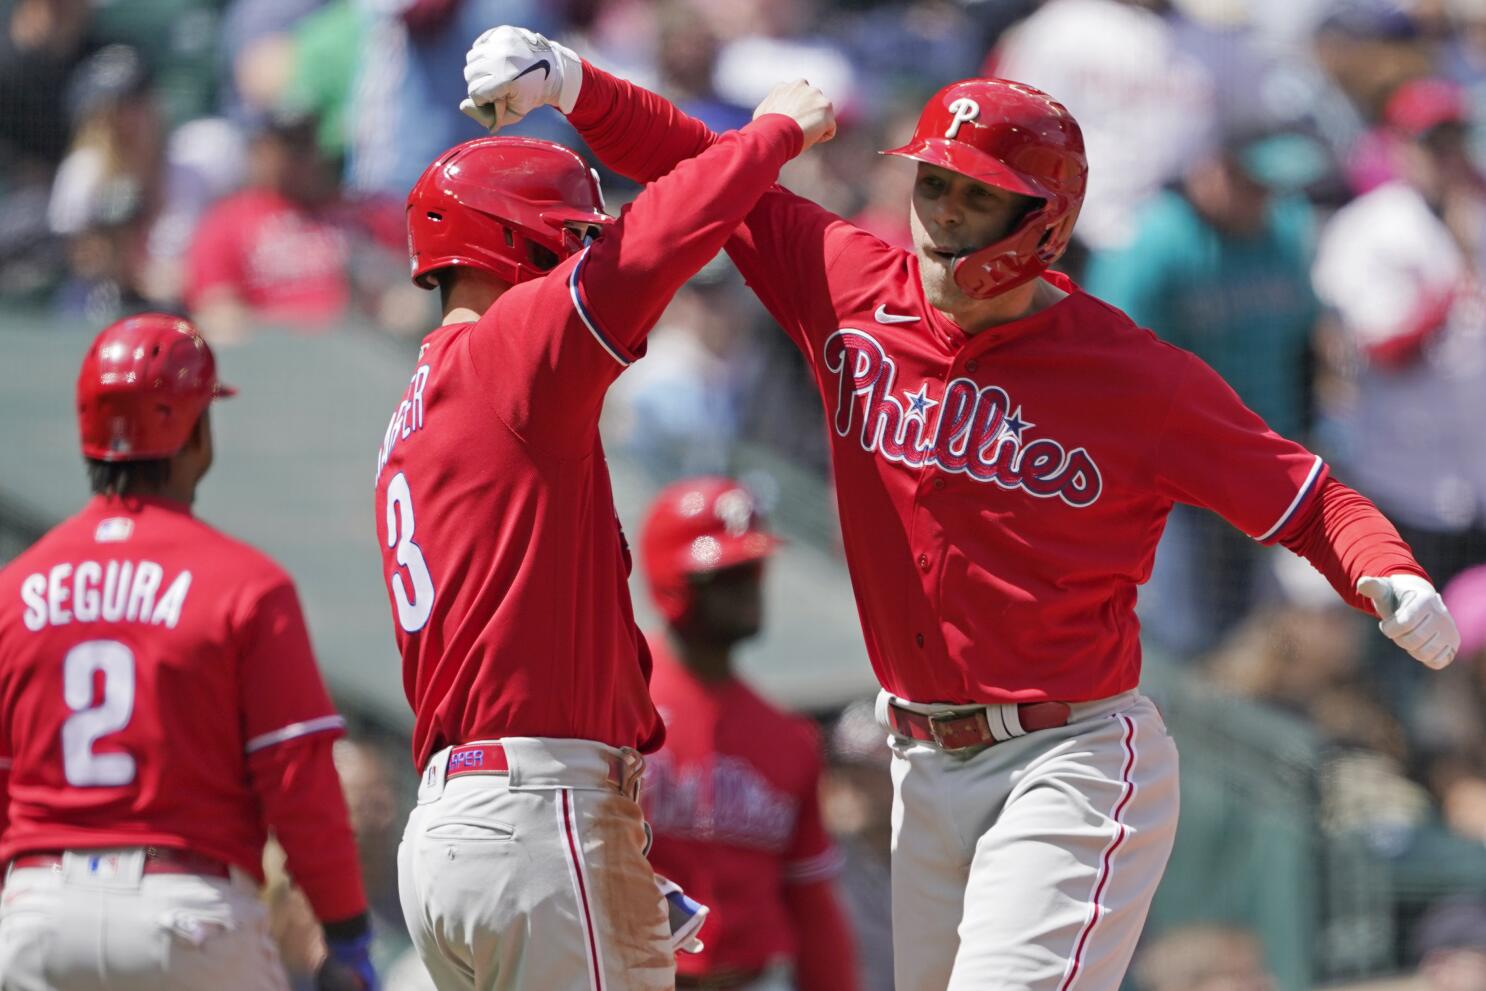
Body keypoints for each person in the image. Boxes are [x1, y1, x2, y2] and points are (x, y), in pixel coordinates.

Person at [461, 27, 1463, 991]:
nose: (940, 212)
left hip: (1066, 758)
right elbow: (704, 163)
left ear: (1045, 221)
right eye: (931, 182)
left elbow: (1305, 498)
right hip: (920, 764)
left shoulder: (1135, 377)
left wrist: (1386, 567)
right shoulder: (849, 283)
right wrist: (571, 82)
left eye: (976, 196)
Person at [373, 82, 836, 991]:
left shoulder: (419, 400)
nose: (582, 250)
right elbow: (656, 240)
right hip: (537, 811)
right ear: (513, 236)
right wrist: (772, 132)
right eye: (573, 234)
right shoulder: (505, 353)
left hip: (456, 828)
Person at [0, 313, 375, 990]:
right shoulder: (246, 584)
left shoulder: (14, 587)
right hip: (185, 913)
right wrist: (344, 927)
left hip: (39, 911)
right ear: (194, 434)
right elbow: (297, 778)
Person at [637, 476, 857, 991]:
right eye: (728, 575)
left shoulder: (786, 736)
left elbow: (812, 903)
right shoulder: (611, 710)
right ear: (673, 582)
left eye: (753, 570)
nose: (750, 588)